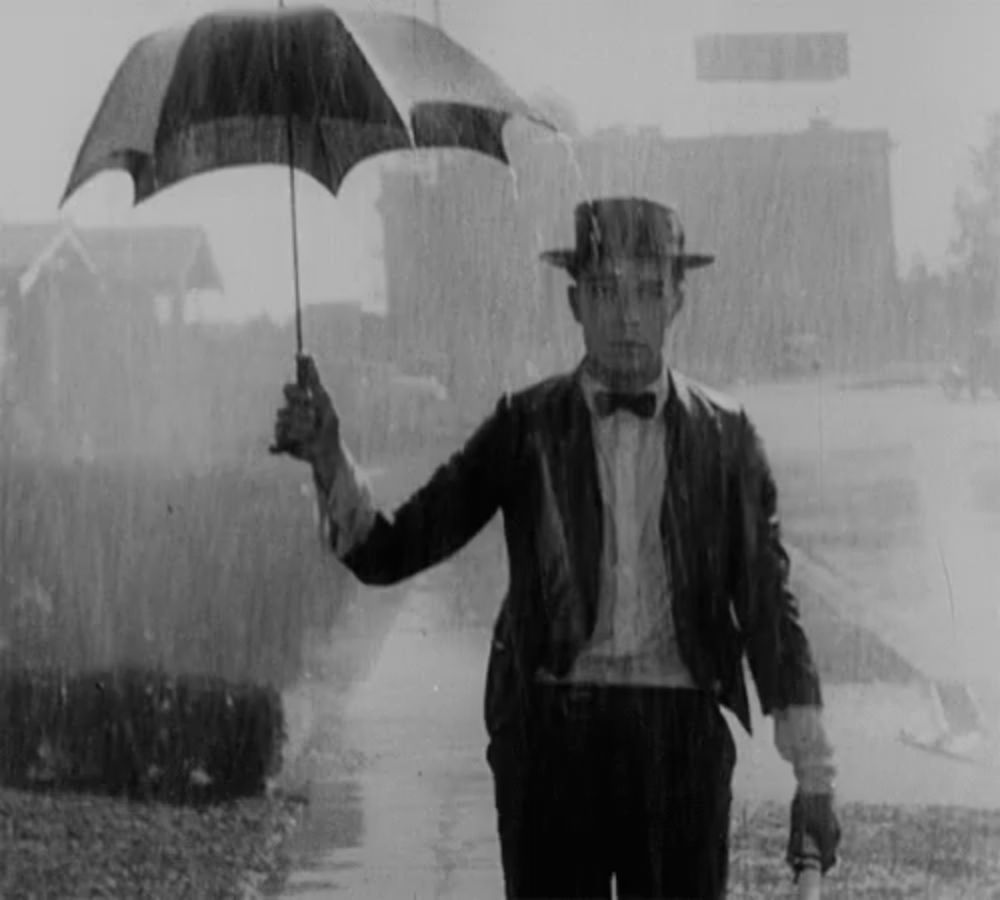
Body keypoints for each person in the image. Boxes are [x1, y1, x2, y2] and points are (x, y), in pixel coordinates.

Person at [273, 196, 841, 899]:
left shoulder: (725, 439)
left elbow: (767, 610)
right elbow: (394, 549)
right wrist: (327, 455)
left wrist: (813, 778)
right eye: (606, 291)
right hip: (551, 744)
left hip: (680, 750)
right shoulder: (526, 425)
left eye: (647, 291)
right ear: (575, 304)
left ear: (678, 301)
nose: (627, 316)